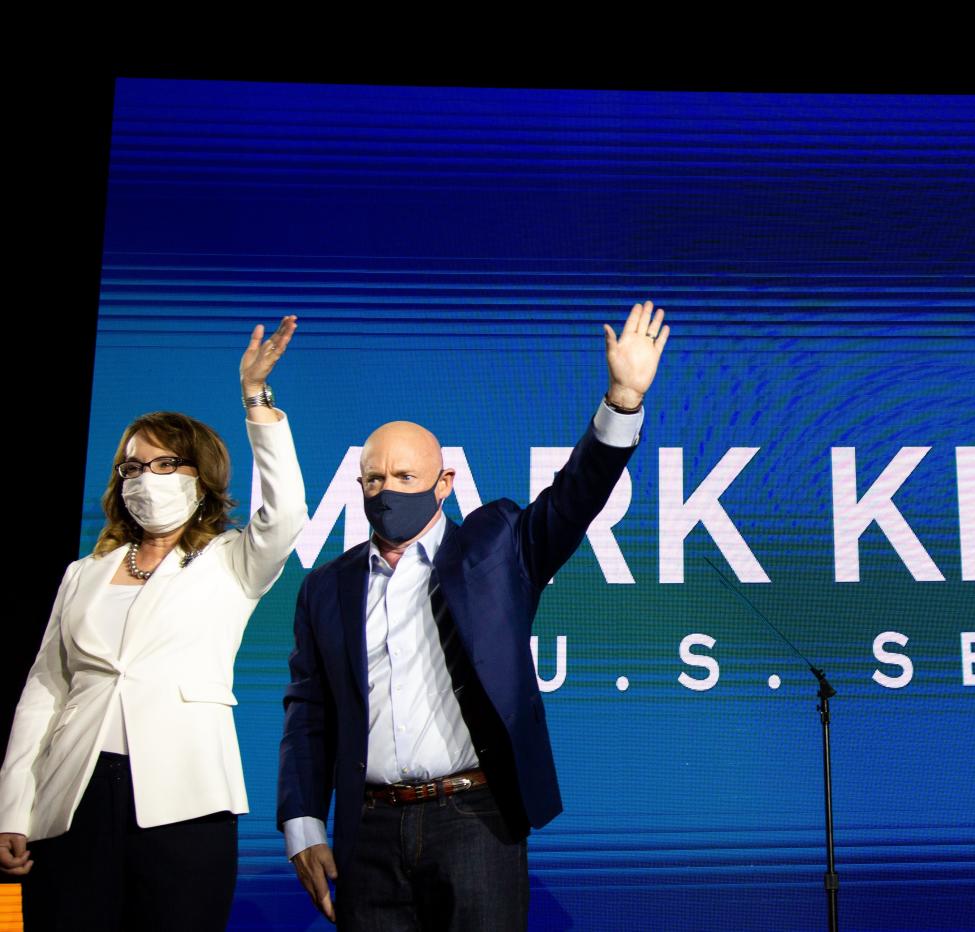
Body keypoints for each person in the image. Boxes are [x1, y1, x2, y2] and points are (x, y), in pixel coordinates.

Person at [278, 301, 670, 930]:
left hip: (474, 820)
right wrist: (302, 824)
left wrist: (622, 398)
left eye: (406, 475)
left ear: (445, 483)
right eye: (373, 478)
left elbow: (575, 496)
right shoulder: (326, 587)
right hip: (366, 830)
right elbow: (310, 711)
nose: (387, 490)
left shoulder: (498, 547)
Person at [0, 316, 308, 930]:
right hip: (74, 793)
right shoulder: (83, 573)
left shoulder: (230, 561)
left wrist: (256, 396)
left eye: (166, 464)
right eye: (134, 467)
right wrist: (15, 809)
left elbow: (288, 513)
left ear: (201, 477)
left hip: (183, 798)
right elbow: (45, 690)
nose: (147, 478)